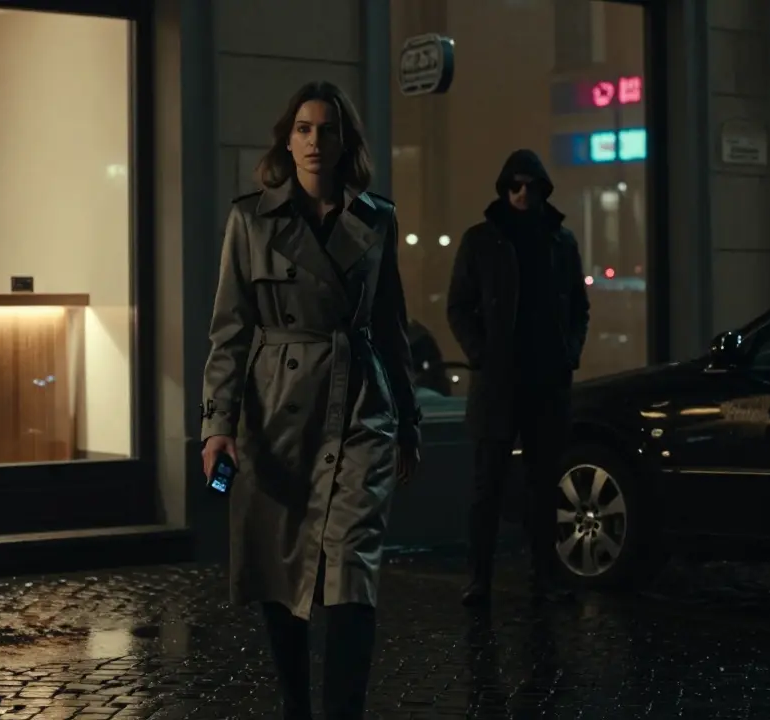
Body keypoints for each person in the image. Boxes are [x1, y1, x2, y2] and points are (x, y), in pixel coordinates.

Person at [199, 80, 421, 720]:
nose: (315, 140)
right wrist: (217, 427)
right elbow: (229, 331)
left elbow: (390, 324)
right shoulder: (249, 219)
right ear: (286, 139)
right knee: (281, 566)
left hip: (359, 409)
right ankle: (298, 707)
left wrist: (406, 421)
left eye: (327, 129)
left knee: (352, 569)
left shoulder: (376, 219)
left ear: (345, 140)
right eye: (303, 128)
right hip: (275, 411)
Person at [446, 148, 590, 606]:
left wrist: (569, 353)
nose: (523, 193)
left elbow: (578, 308)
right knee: (487, 485)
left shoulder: (561, 241)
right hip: (498, 382)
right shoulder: (481, 241)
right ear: (504, 188)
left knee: (544, 484)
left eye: (530, 186)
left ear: (543, 189)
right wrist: (481, 354)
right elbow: (459, 306)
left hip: (546, 380)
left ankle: (544, 576)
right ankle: (479, 578)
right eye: (515, 185)